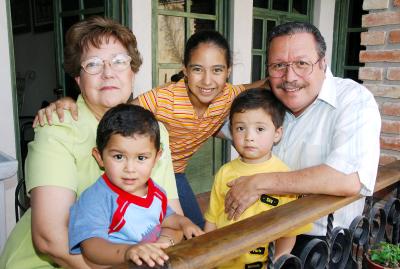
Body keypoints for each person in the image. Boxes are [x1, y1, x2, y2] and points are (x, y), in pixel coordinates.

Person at [0, 16, 183, 269]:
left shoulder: (154, 131)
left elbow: (173, 219)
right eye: (93, 64)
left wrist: (159, 250)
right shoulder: (58, 128)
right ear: (78, 79)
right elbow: (50, 239)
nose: (108, 73)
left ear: (133, 71)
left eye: (119, 62)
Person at [33, 30, 266, 228]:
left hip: (176, 170)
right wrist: (70, 101)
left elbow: (267, 85)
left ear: (228, 71)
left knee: (192, 229)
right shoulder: (163, 99)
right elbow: (118, 112)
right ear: (184, 69)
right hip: (146, 167)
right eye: (197, 69)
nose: (207, 81)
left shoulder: (229, 94)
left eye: (217, 70)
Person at [222, 22, 381, 255]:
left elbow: (348, 178)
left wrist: (259, 182)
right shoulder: (266, 104)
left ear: (323, 63)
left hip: (320, 242)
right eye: (278, 66)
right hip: (258, 232)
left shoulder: (353, 99)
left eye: (302, 64)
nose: (289, 77)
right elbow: (216, 126)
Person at [69, 104, 203, 268]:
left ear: (156, 158)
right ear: (99, 157)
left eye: (141, 158)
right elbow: (91, 247)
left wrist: (183, 223)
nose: (130, 169)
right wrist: (128, 251)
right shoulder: (96, 199)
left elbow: (165, 218)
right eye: (119, 156)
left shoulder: (156, 192)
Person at [204, 89, 311, 269]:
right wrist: (208, 257)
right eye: (240, 128)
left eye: (260, 129)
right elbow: (212, 219)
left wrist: (276, 261)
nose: (249, 137)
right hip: (222, 262)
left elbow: (289, 231)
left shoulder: (284, 177)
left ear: (277, 133)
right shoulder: (225, 172)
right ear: (231, 131)